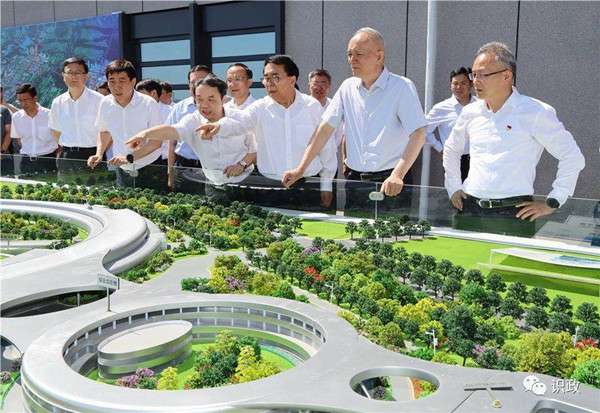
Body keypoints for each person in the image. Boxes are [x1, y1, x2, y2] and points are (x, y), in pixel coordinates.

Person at [443, 42, 585, 238]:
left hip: (514, 213)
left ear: (506, 75)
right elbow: (451, 149)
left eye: (483, 75)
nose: (475, 81)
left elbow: (572, 157)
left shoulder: (535, 112)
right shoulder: (470, 112)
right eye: (473, 75)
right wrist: (453, 186)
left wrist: (554, 201)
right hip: (469, 208)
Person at [282, 27, 427, 211]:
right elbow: (324, 129)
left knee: (392, 230)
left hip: (391, 182)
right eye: (349, 54)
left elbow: (419, 133)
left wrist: (398, 174)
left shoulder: (401, 87)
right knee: (354, 229)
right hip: (355, 182)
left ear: (379, 56)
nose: (352, 59)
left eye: (359, 54)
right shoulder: (347, 87)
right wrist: (301, 169)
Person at [198, 55, 337, 209]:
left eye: (275, 77)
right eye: (266, 78)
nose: (268, 82)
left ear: (292, 80)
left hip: (308, 186)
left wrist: (327, 184)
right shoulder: (260, 108)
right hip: (270, 189)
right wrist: (219, 126)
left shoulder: (312, 106)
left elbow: (326, 146)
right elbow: (240, 122)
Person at [123, 76, 256, 203]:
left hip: (244, 181)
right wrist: (145, 134)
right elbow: (172, 131)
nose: (204, 105)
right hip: (213, 184)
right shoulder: (193, 121)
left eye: (211, 99)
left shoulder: (240, 118)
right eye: (199, 99)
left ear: (223, 99)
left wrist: (241, 165)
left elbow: (255, 148)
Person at [87, 59, 163, 189]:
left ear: (133, 81)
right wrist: (99, 153)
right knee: (123, 201)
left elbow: (156, 142)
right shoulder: (105, 103)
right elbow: (104, 131)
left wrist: (129, 157)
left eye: (122, 80)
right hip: (122, 168)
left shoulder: (148, 103)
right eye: (112, 81)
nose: (117, 86)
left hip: (149, 166)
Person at [49, 57, 104, 174]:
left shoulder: (99, 100)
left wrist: (99, 152)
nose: (73, 76)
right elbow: (55, 131)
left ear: (86, 76)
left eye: (78, 72)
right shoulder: (57, 102)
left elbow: (105, 131)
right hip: (66, 156)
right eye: (69, 73)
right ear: (63, 76)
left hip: (93, 155)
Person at [426, 66, 476, 181]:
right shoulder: (441, 108)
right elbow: (424, 131)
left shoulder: (480, 105)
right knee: (455, 191)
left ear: (471, 84)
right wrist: (440, 149)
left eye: (463, 83)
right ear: (450, 85)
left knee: (476, 191)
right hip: (453, 159)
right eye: (455, 83)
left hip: (477, 159)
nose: (459, 87)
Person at [167, 65, 211, 192]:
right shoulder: (179, 108)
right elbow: (172, 143)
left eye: (201, 81)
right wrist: (170, 173)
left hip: (210, 167)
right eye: (193, 82)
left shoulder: (222, 106)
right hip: (183, 166)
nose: (196, 85)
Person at [10, 83, 58, 175]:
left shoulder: (49, 115)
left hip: (48, 160)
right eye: (19, 101)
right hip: (26, 161)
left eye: (25, 100)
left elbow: (59, 139)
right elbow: (19, 140)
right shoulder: (16, 117)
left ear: (35, 98)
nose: (23, 104)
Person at [135, 79, 172, 166]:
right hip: (139, 159)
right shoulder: (136, 112)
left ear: (153, 93)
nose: (138, 98)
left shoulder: (170, 112)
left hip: (162, 161)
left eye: (141, 95)